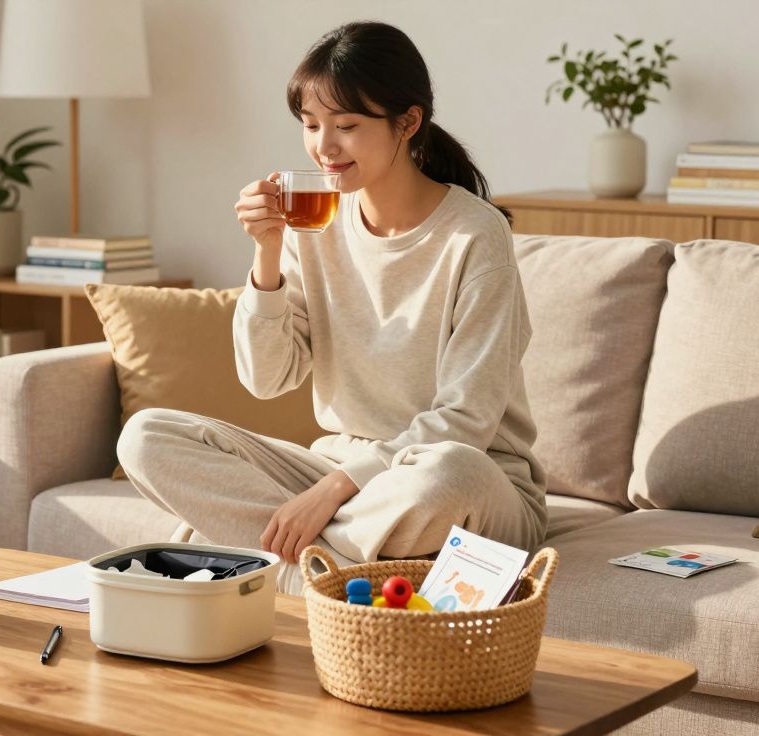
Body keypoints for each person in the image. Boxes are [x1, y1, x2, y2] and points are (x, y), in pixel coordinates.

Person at [117, 21, 547, 594]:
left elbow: (466, 421)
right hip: (344, 472)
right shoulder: (310, 222)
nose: (324, 146)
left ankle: (281, 567)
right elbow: (267, 379)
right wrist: (266, 254)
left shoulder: (475, 236)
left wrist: (329, 493)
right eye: (311, 125)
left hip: (471, 481)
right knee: (145, 436)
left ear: (408, 122)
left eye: (346, 126)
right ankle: (334, 567)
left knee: (447, 473)